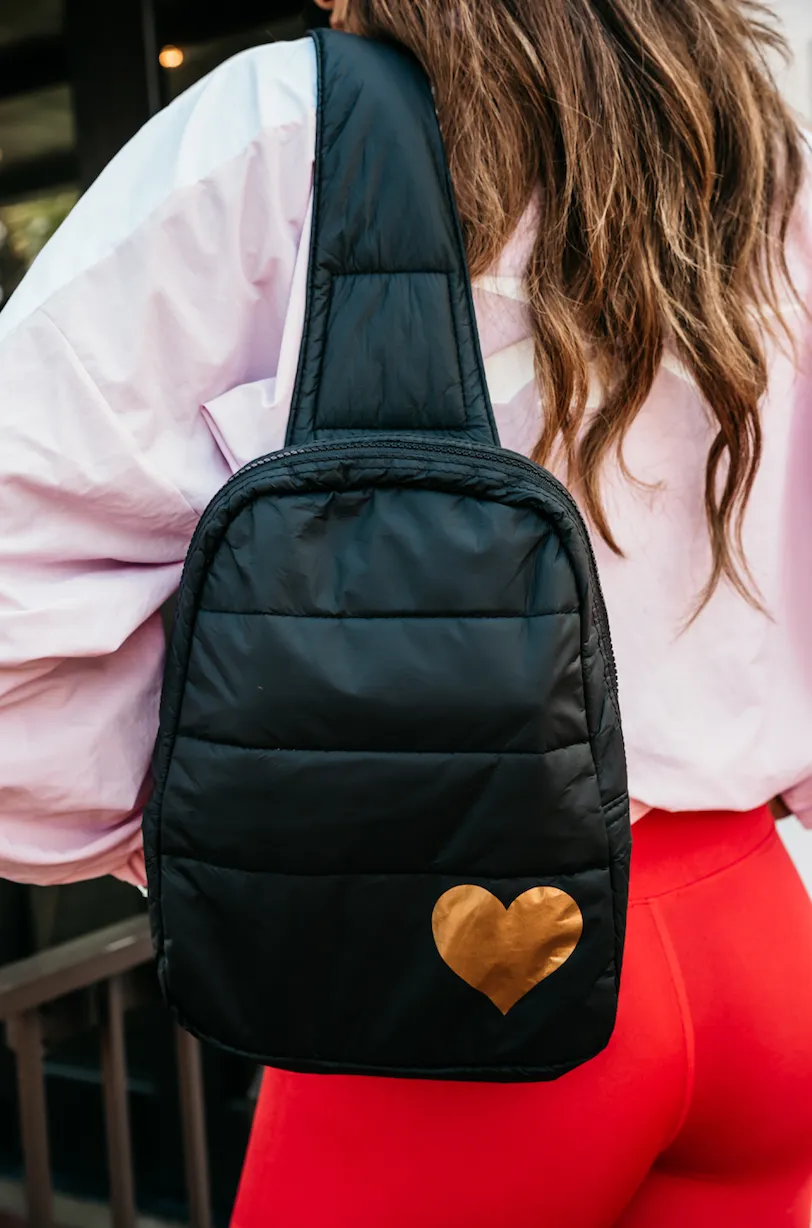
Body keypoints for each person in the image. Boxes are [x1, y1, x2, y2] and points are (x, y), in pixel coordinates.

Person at [0, 0, 810, 1224]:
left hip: (446, 973)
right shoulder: (759, 135)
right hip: (756, 937)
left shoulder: (284, 129)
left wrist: (223, 838)